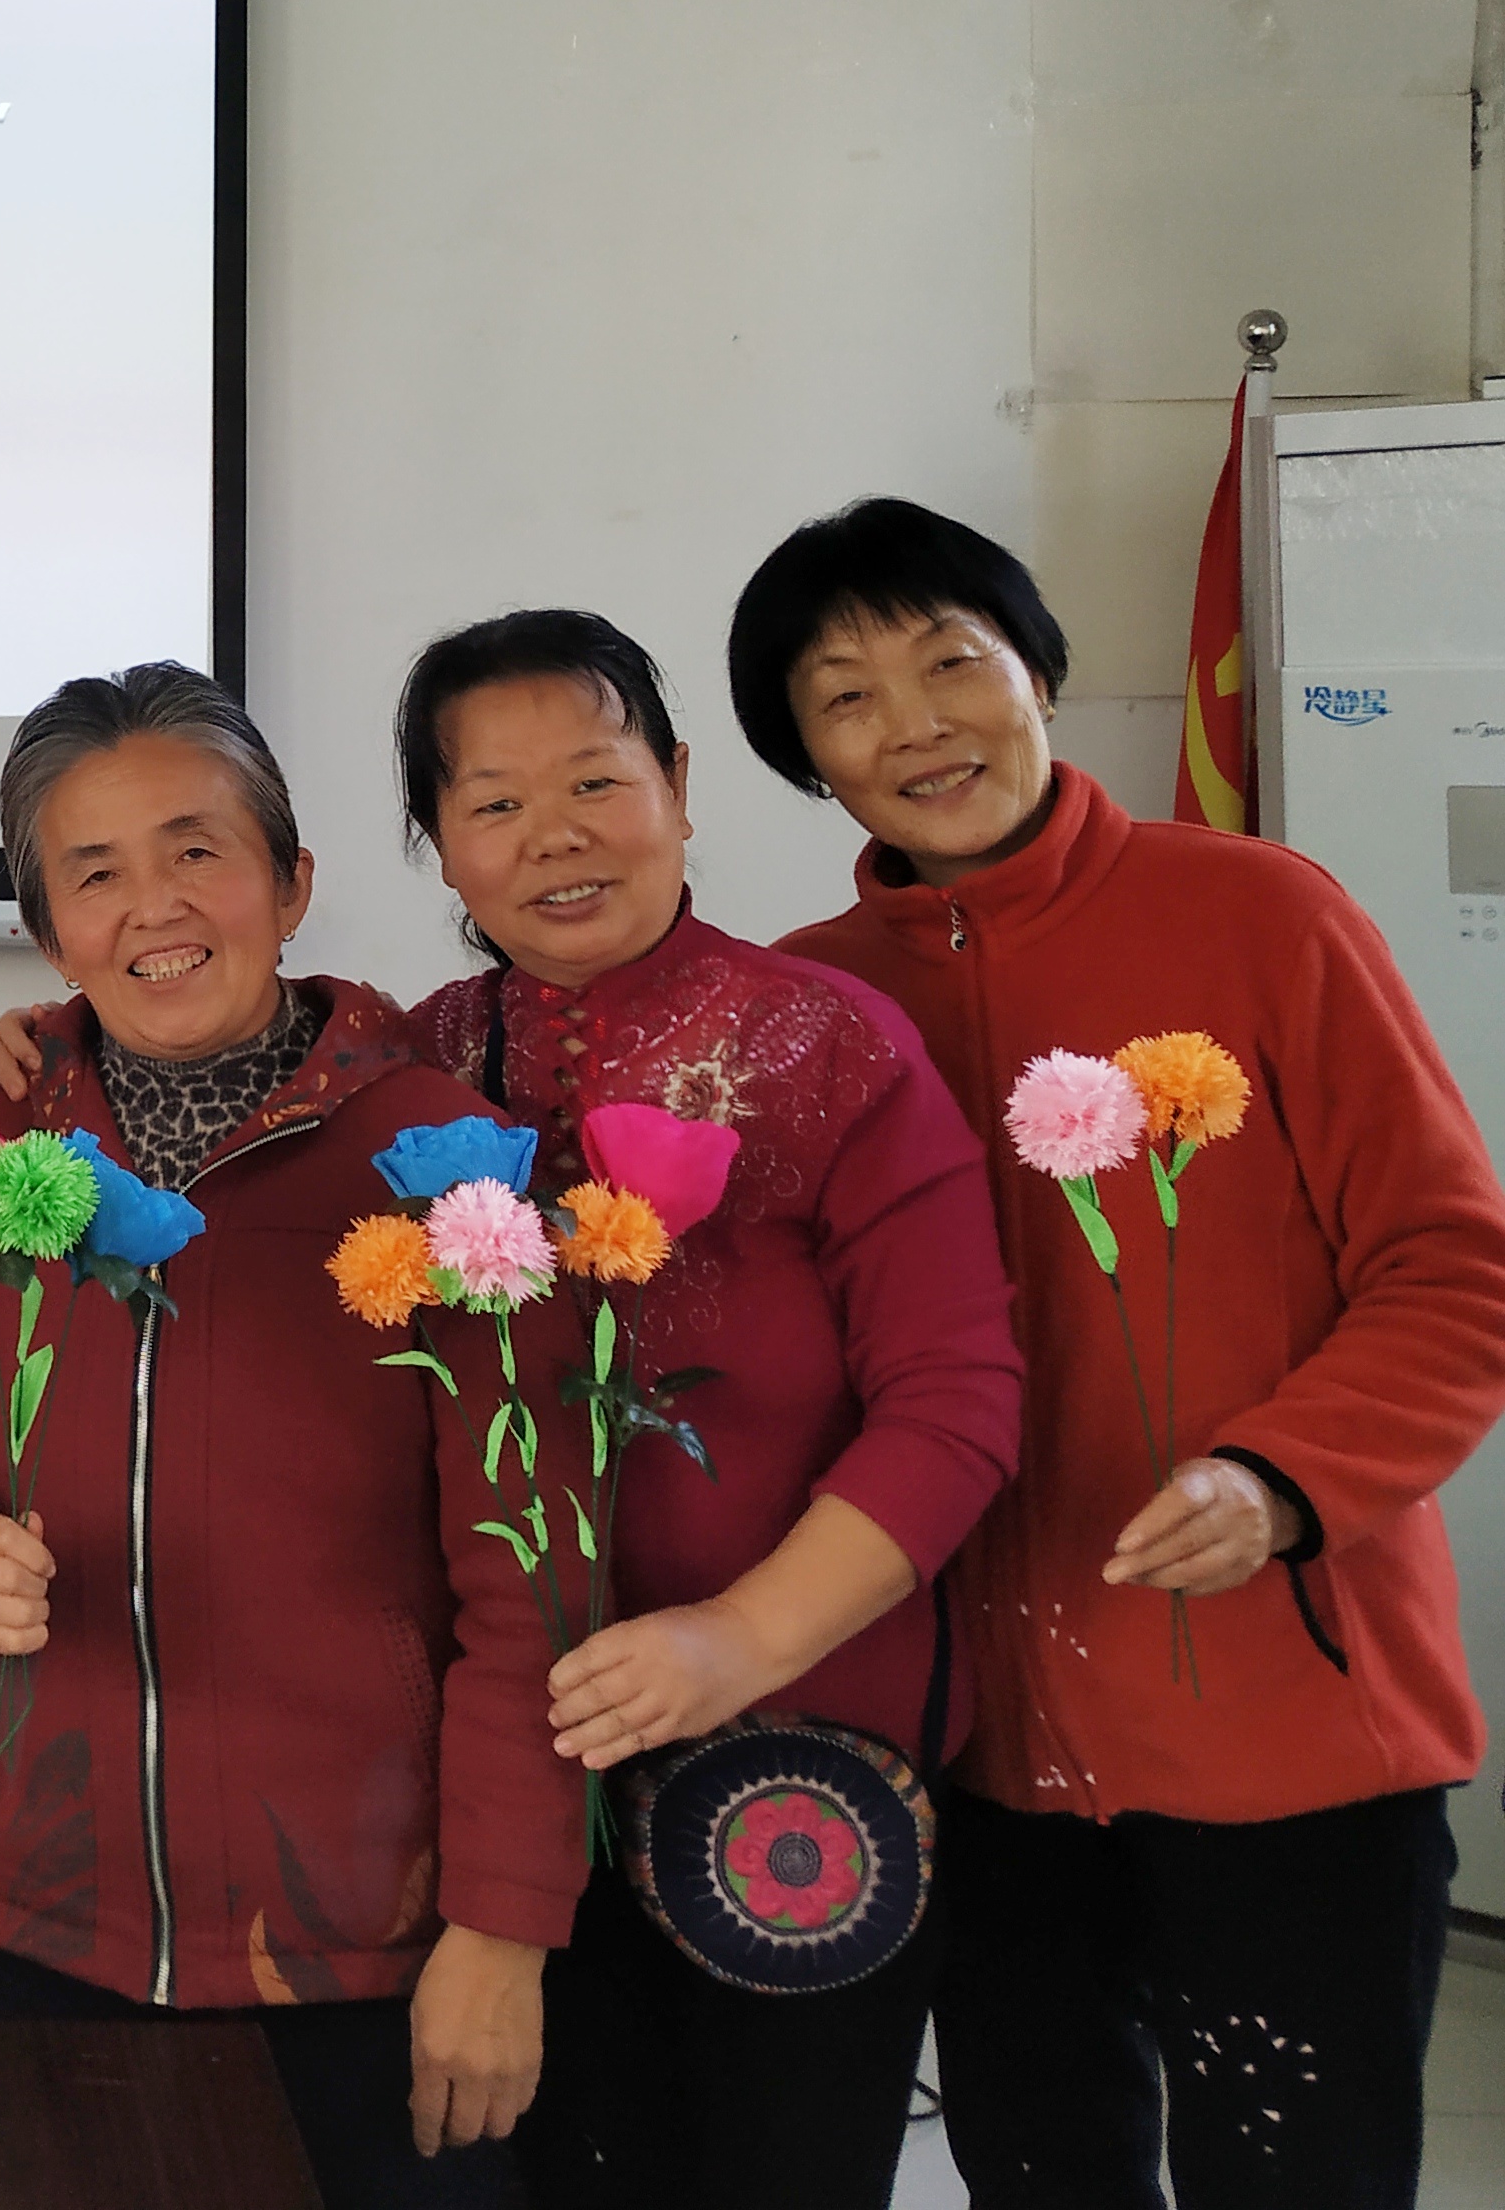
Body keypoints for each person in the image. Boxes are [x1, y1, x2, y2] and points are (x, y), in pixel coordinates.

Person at [727, 497, 1505, 2210]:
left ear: (1041, 672)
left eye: (952, 661)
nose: (916, 725)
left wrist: (1284, 1477)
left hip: (1289, 1738)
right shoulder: (806, 1006)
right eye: (846, 697)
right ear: (805, 758)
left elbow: (1454, 1267)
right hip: (976, 1760)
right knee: (1044, 2175)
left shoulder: (1262, 916)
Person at [0, 663, 581, 2209]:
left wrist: (506, 1919)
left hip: (365, 1936)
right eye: (94, 873)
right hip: (25, 1901)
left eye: (197, 850)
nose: (155, 906)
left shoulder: (444, 1158)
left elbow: (534, 1573)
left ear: (292, 881)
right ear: (48, 933)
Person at [389, 609, 1021, 2210]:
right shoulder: (417, 1068)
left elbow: (955, 1403)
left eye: (596, 781)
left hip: (797, 1759)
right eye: (495, 803)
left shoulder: (828, 1043)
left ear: (676, 784)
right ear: (442, 847)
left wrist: (738, 1641)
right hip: (505, 1782)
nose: (555, 836)